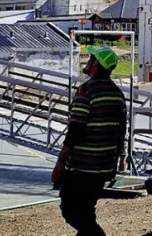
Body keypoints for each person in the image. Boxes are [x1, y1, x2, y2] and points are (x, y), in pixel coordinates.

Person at [53, 47, 127, 236]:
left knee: (70, 211)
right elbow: (121, 132)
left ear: (95, 64)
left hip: (82, 167)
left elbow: (75, 129)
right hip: (103, 166)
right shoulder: (118, 94)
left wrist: (60, 162)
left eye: (90, 58)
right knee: (86, 212)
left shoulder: (86, 90)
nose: (87, 62)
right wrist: (117, 162)